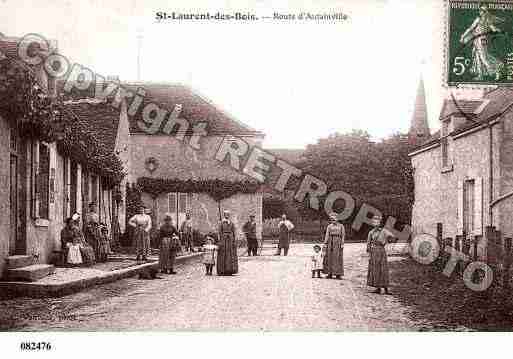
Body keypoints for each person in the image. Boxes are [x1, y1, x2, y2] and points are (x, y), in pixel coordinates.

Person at [367, 215, 392, 294]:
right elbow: (368, 243)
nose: (376, 223)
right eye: (374, 222)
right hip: (374, 251)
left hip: (381, 251)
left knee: (383, 268)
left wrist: (386, 240)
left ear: (380, 222)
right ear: (372, 223)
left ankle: (386, 289)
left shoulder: (384, 231)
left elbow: (392, 236)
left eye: (377, 222)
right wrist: (369, 252)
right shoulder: (371, 232)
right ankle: (377, 288)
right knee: (375, 269)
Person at [323, 213, 345, 279]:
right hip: (330, 241)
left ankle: (338, 274)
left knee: (337, 257)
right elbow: (327, 234)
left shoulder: (341, 226)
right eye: (332, 219)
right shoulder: (329, 226)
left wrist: (342, 243)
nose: (333, 220)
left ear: (337, 219)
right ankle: (329, 273)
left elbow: (343, 235)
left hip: (338, 241)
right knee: (329, 257)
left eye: (334, 219)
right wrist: (325, 243)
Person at [216, 210, 238, 276]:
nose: (227, 215)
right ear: (224, 215)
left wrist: (234, 240)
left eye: (228, 214)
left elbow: (234, 232)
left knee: (230, 255)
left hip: (230, 240)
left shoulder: (231, 223)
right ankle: (222, 270)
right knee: (223, 254)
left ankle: (230, 270)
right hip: (223, 240)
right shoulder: (221, 223)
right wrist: (219, 241)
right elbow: (219, 232)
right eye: (226, 214)